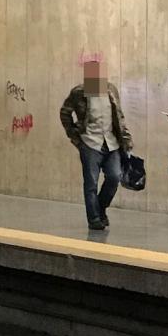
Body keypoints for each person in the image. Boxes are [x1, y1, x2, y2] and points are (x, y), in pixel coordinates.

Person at [60, 60, 132, 231]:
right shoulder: (79, 92)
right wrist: (75, 137)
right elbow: (65, 113)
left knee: (114, 177)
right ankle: (94, 219)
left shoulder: (111, 90)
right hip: (90, 143)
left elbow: (119, 116)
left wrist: (126, 139)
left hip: (111, 143)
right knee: (91, 183)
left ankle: (100, 208)